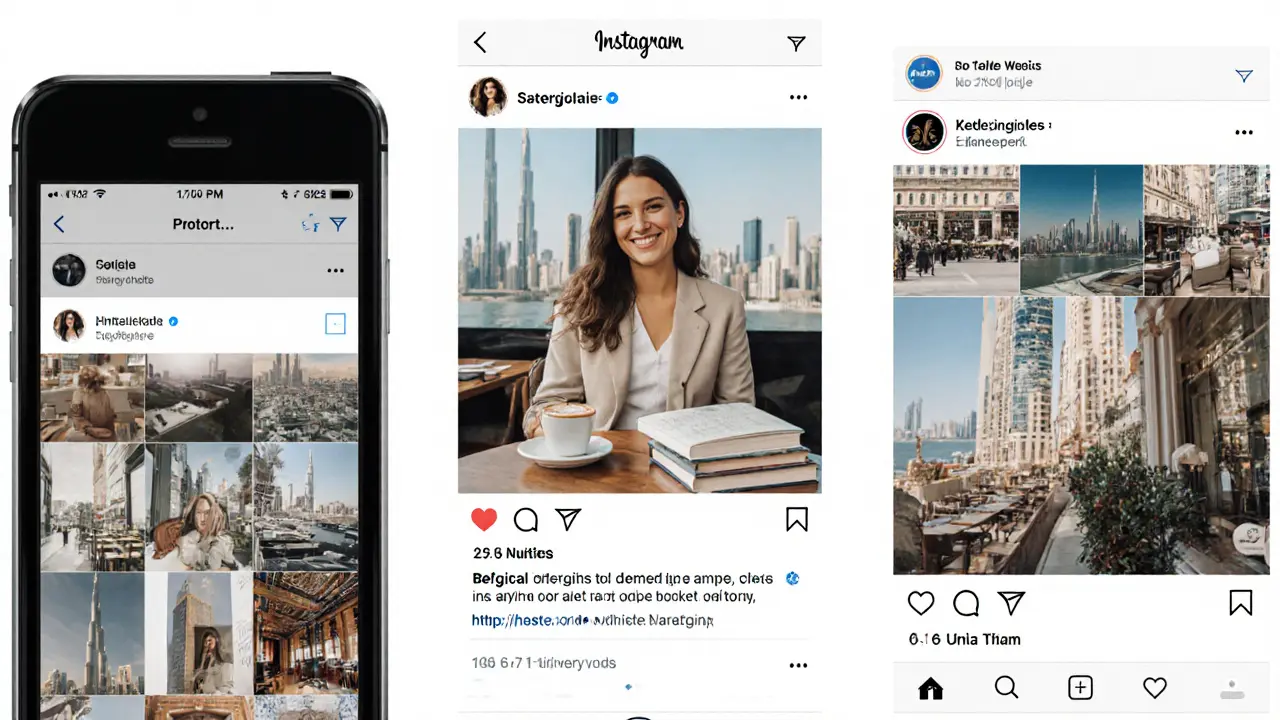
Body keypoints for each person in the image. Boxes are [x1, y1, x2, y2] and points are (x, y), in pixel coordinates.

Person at [524, 155, 755, 437]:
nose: (641, 224)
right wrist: (571, 441)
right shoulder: (580, 305)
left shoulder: (724, 307)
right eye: (623, 214)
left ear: (679, 214)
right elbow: (547, 407)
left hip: (690, 473)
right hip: (599, 469)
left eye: (653, 207)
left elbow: (739, 414)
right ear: (612, 226)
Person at [166, 493, 237, 570]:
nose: (202, 518)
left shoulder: (222, 541)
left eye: (207, 513)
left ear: (214, 514)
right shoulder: (189, 538)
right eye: (198, 513)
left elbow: (215, 567)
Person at [67, 365, 117, 441]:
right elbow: (76, 416)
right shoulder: (79, 394)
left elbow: (113, 416)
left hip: (106, 433)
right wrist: (88, 428)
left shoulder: (106, 393)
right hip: (89, 432)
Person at [191, 628, 235, 694]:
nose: (207, 643)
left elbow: (228, 684)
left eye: (209, 640)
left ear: (217, 640)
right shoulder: (208, 659)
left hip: (220, 695)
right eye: (205, 641)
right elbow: (201, 676)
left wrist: (218, 693)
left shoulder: (225, 658)